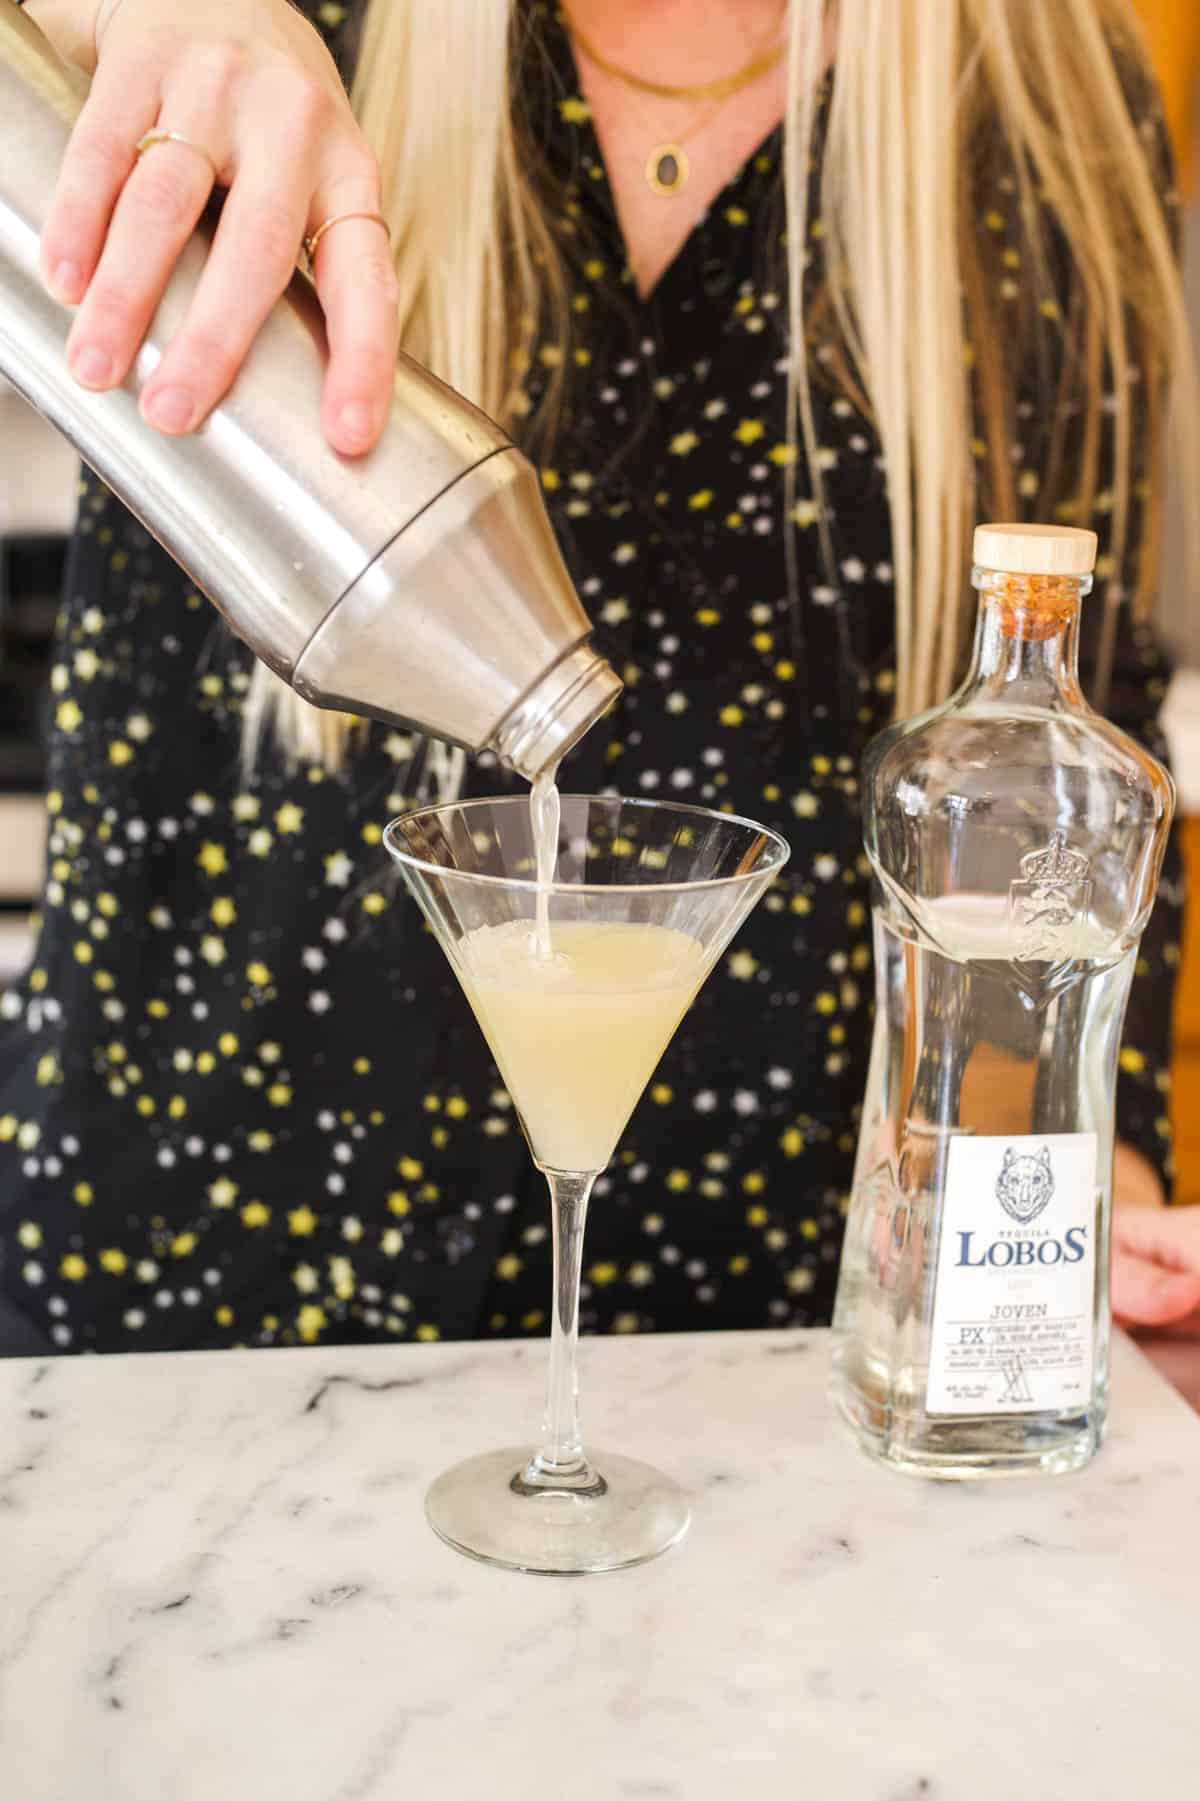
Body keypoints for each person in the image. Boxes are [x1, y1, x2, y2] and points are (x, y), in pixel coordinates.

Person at [1, 0, 1197, 1356]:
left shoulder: (1041, 87)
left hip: (758, 1370)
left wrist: (1086, 1196)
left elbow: (1062, 732)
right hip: (183, 1322)